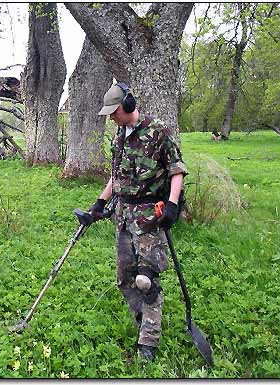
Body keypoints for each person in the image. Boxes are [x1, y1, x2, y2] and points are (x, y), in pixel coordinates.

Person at [88, 83, 188, 362]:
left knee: (146, 281)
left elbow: (176, 169)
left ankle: (149, 341)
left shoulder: (158, 131)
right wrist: (99, 203)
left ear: (129, 105)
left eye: (114, 111)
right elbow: (116, 177)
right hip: (122, 216)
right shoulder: (118, 138)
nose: (111, 118)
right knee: (124, 280)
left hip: (148, 218)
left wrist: (172, 203)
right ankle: (145, 318)